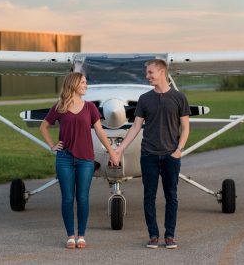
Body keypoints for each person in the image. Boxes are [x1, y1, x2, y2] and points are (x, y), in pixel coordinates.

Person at [114, 59, 190, 249]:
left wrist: (179, 150)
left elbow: (186, 127)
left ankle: (170, 236)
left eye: (150, 73)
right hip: (148, 156)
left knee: (171, 196)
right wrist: (119, 149)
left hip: (171, 156)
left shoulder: (180, 98)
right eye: (147, 73)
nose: (147, 76)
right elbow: (135, 127)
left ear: (162, 72)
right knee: (149, 197)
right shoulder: (144, 99)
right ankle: (153, 236)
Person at [40, 72, 119, 249]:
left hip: (85, 160)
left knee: (82, 198)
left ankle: (81, 235)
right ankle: (70, 236)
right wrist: (52, 145)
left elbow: (100, 132)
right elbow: (43, 126)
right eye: (83, 82)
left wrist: (112, 153)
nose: (86, 85)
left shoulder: (90, 107)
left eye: (85, 82)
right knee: (67, 198)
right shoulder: (60, 106)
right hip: (64, 159)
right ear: (74, 84)